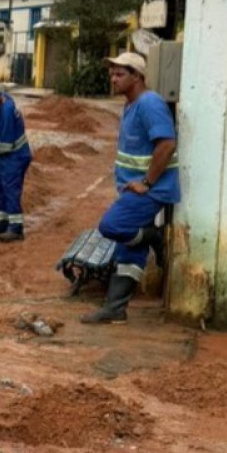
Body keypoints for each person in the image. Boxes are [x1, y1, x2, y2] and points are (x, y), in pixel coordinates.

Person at [82, 51, 179, 325]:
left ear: (137, 76)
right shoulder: (130, 105)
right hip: (133, 189)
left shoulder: (149, 104)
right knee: (128, 251)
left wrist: (146, 182)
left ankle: (154, 237)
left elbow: (167, 144)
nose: (113, 79)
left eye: (119, 74)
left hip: (150, 191)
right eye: (111, 73)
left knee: (110, 226)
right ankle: (115, 309)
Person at [0, 82, 32, 242]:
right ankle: (3, 223)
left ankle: (16, 229)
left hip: (15, 155)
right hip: (7, 156)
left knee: (10, 189)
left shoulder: (7, 112)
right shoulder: (2, 100)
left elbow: (7, 144)